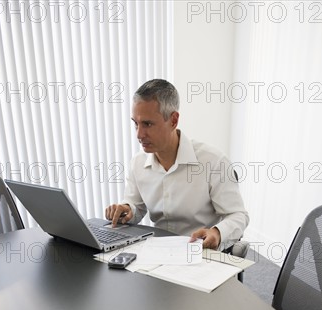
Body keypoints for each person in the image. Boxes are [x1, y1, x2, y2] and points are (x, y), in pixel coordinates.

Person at [105, 79, 249, 250]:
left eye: (147, 124)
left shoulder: (213, 161)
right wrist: (127, 209)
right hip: (158, 252)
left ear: (173, 120)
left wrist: (217, 233)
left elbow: (238, 215)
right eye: (135, 123)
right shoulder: (138, 163)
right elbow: (136, 206)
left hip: (200, 252)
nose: (139, 134)